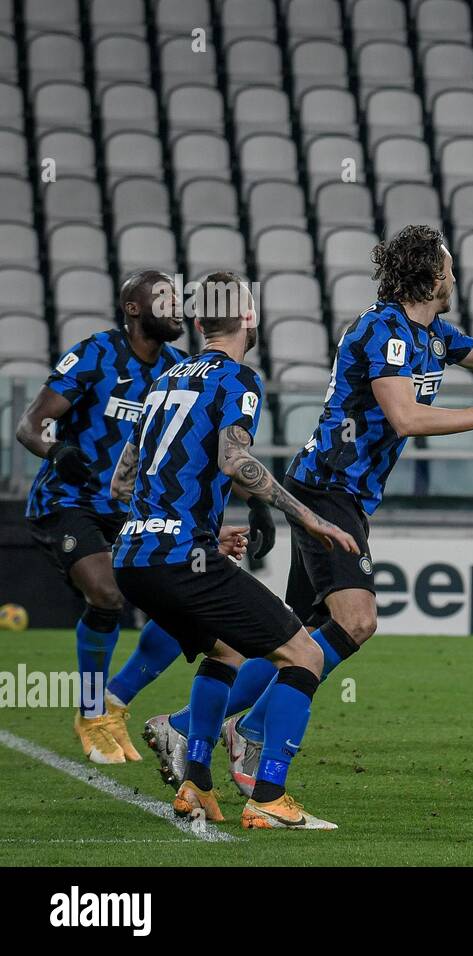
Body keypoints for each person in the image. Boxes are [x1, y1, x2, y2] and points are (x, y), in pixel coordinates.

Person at [172, 225, 473, 796]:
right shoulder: (383, 328)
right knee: (357, 621)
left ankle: (186, 727)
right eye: (449, 268)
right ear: (431, 276)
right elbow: (405, 417)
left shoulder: (430, 334)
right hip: (328, 488)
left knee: (300, 633)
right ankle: (251, 737)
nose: (455, 277)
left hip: (340, 490)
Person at [111, 272, 359, 828]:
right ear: (250, 319)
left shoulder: (163, 379)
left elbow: (121, 484)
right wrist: (309, 517)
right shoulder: (238, 380)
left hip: (134, 556)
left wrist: (187, 525)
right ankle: (269, 798)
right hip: (178, 555)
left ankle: (196, 785)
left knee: (225, 651)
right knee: (305, 656)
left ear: (198, 324)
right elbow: (235, 461)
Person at [16, 270, 190, 764]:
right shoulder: (95, 354)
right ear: (134, 308)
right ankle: (90, 711)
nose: (176, 307)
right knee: (107, 593)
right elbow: (30, 425)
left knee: (185, 608)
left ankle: (113, 703)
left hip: (132, 511)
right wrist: (56, 451)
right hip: (67, 502)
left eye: (179, 299)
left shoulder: (178, 370)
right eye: (164, 298)